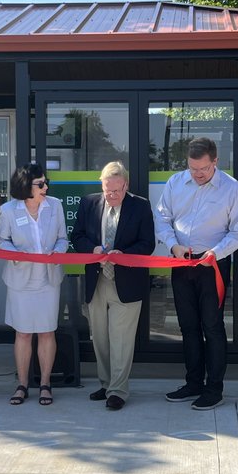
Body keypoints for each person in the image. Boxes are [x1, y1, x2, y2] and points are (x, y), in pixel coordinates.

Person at [154, 137, 238, 410]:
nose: (197, 174)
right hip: (181, 262)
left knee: (212, 326)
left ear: (215, 162)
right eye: (192, 168)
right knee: (187, 326)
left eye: (203, 169)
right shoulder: (175, 183)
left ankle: (214, 389)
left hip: (213, 265)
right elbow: (162, 219)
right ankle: (193, 383)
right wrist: (173, 245)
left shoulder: (232, 188)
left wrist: (215, 253)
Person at [71, 162, 156, 411]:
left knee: (121, 340)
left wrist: (124, 255)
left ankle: (118, 390)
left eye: (116, 191)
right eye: (107, 191)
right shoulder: (89, 203)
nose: (111, 196)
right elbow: (77, 236)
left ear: (125, 186)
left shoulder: (140, 206)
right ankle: (106, 383)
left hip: (127, 281)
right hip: (96, 280)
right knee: (100, 337)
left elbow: (147, 243)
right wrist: (92, 249)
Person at [0, 162, 69, 406]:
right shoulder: (8, 210)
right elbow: (2, 241)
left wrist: (57, 252)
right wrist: (16, 254)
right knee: (23, 332)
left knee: (47, 331)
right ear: (25, 186)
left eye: (45, 183)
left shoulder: (55, 206)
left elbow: (63, 239)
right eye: (40, 184)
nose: (45, 187)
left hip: (48, 279)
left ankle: (45, 384)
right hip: (20, 280)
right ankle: (22, 384)